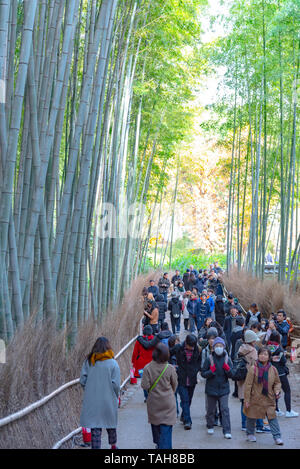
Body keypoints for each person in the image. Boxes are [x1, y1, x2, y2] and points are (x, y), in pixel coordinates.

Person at [79, 337, 120, 449]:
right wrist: (116, 396)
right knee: (110, 423)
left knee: (95, 426)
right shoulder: (113, 363)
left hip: (92, 400)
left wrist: (89, 390)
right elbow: (116, 385)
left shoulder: (88, 362)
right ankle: (113, 445)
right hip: (109, 399)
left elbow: (82, 380)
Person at [243, 346, 284, 445]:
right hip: (255, 398)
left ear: (269, 356)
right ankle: (250, 434)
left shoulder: (273, 369)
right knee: (251, 416)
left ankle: (277, 437)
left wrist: (277, 391)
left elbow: (277, 383)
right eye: (261, 354)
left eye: (265, 354)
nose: (262, 356)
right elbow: (248, 385)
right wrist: (247, 400)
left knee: (272, 418)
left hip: (269, 398)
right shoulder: (253, 369)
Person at [141, 343, 178, 449]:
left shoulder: (147, 368)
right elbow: (175, 384)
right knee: (166, 429)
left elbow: (144, 385)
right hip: (168, 403)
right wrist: (169, 392)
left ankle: (159, 444)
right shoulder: (170, 368)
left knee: (156, 425)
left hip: (154, 403)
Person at [235, 329, 270, 433]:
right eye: (254, 340)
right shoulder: (253, 351)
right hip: (251, 381)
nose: (256, 342)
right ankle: (259, 426)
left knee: (243, 403)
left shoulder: (241, 349)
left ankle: (244, 425)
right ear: (252, 340)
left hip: (241, 380)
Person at [201, 337, 233, 439]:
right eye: (217, 346)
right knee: (211, 410)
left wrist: (228, 370)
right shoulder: (209, 359)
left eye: (221, 346)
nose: (219, 348)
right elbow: (203, 373)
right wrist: (210, 371)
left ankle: (227, 430)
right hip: (211, 389)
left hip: (224, 389)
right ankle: (210, 425)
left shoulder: (227, 359)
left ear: (224, 347)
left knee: (224, 409)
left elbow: (233, 374)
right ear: (213, 347)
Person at [267, 331, 299, 418]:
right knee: (287, 391)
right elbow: (283, 361)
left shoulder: (268, 348)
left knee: (275, 391)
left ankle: (276, 409)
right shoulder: (279, 349)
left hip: (271, 372)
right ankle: (288, 411)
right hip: (280, 373)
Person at [174, 334, 202, 430]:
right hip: (181, 378)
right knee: (184, 399)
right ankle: (188, 421)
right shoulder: (179, 348)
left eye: (192, 346)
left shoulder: (197, 350)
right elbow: (168, 353)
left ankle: (184, 415)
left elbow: (199, 362)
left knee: (189, 400)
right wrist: (174, 367)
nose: (191, 348)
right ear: (186, 343)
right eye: (189, 346)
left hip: (192, 379)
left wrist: (195, 370)